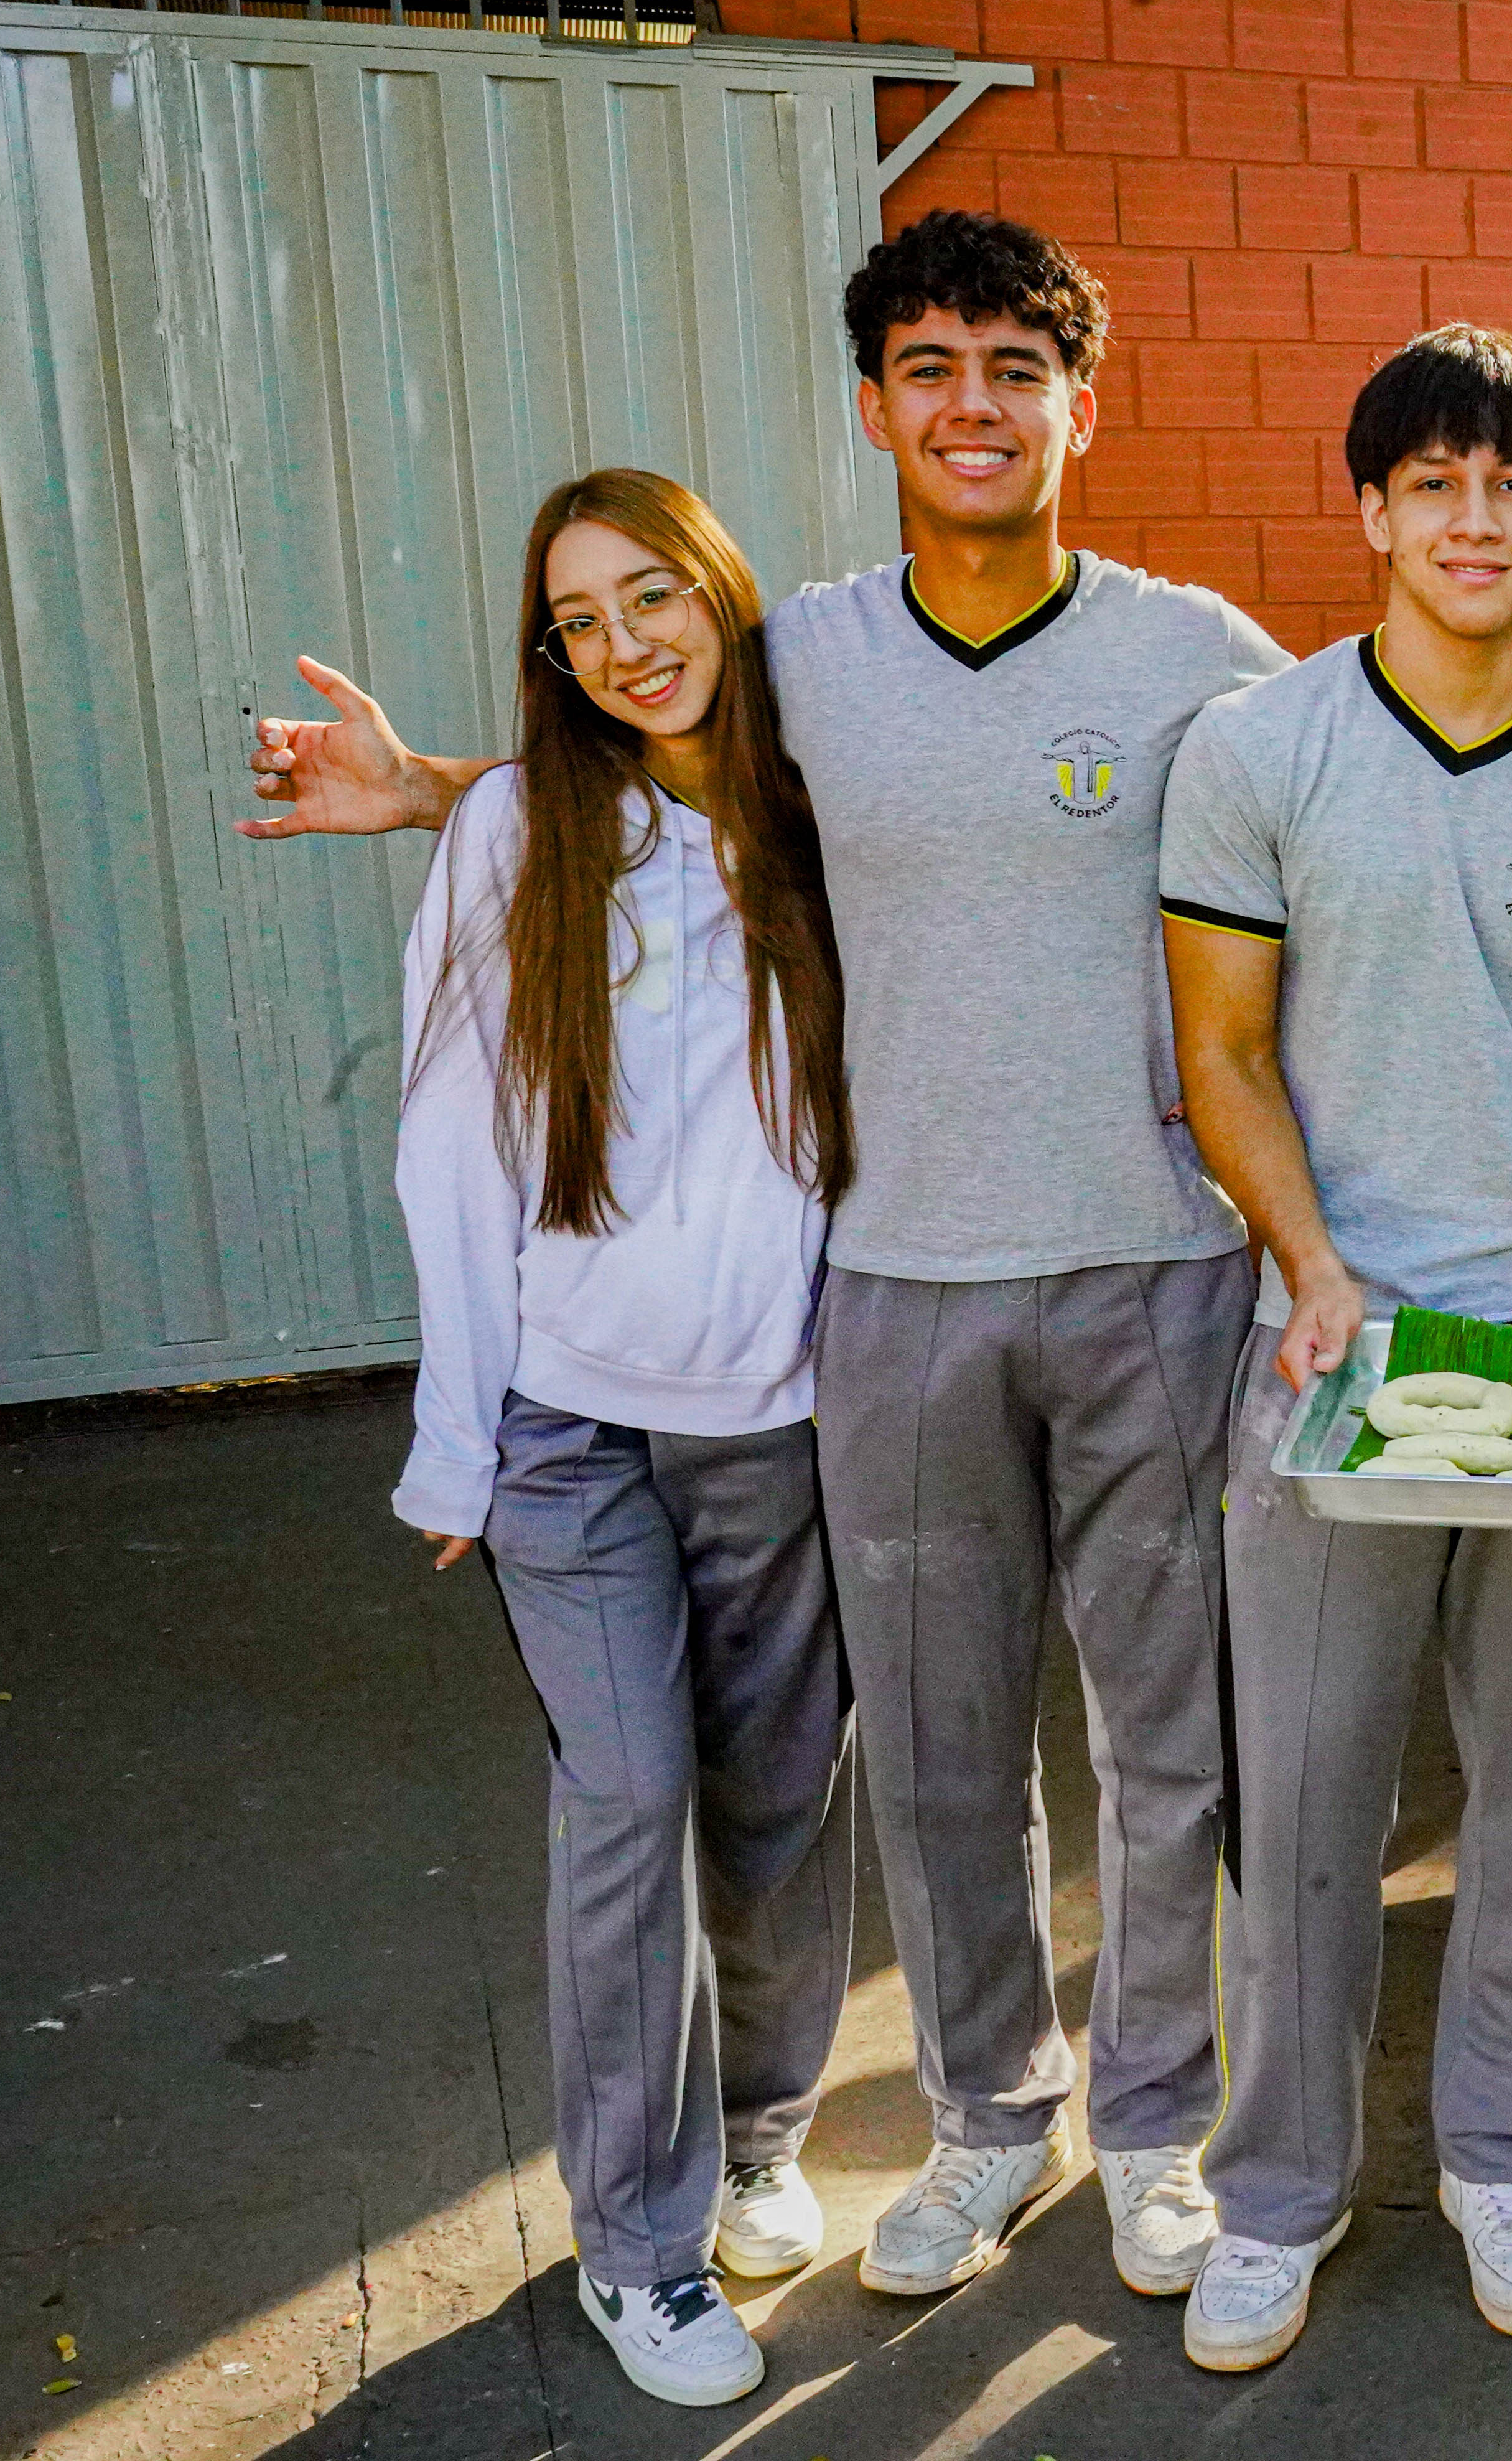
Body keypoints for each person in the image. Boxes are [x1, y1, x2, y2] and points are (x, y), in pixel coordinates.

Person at [246, 213, 1287, 2307]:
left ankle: (1164, 2131)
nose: (973, 404)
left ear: (1090, 402)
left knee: (1173, 1736)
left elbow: (1357, 864)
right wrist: (438, 795)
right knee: (935, 1745)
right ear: (875, 407)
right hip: (886, 1291)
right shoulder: (802, 653)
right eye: (929, 366)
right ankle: (997, 2120)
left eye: (1017, 365)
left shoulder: (1202, 657)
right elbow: (637, 798)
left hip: (1155, 1272)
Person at [1157, 325, 1512, 2370]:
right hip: (1336, 1345)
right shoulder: (1259, 753)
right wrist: (1305, 1260)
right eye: (1432, 487)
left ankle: (1507, 2162)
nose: (1470, 522)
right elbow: (1220, 1053)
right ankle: (1280, 2195)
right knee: (1304, 1801)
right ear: (1373, 512)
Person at [392, 469, 856, 2407]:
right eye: (577, 622)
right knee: (631, 1805)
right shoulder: (517, 829)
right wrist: (455, 1436)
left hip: (784, 1423)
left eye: (650, 595)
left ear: (724, 594)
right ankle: (636, 2248)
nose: (621, 643)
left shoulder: (825, 813)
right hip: (571, 1431)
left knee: (776, 1806)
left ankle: (757, 2139)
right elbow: (452, 1141)